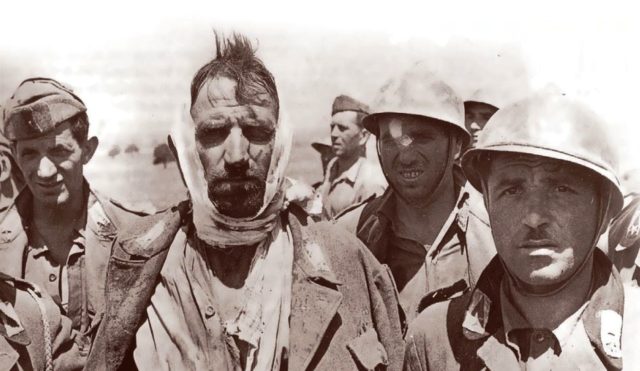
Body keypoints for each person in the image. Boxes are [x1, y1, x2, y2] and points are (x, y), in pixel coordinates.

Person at [86, 33, 404, 371]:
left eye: (256, 132)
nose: (237, 155)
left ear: (280, 143)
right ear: (186, 147)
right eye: (214, 133)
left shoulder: (345, 261)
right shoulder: (137, 257)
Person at [404, 91, 640, 370]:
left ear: (604, 210)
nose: (534, 217)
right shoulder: (437, 337)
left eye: (561, 189)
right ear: (488, 204)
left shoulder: (633, 336)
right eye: (512, 190)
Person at [0, 77, 151, 362]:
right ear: (17, 158)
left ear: (88, 151)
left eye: (59, 151)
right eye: (30, 154)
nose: (44, 170)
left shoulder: (136, 238)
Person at [337, 65, 496, 322]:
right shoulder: (349, 234)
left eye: (422, 137)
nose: (406, 156)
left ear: (456, 145)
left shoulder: (495, 231)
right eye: (390, 139)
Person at [316, 94, 386, 218]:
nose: (334, 134)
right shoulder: (332, 170)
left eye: (342, 128)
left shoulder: (371, 182)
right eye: (332, 127)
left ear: (363, 136)